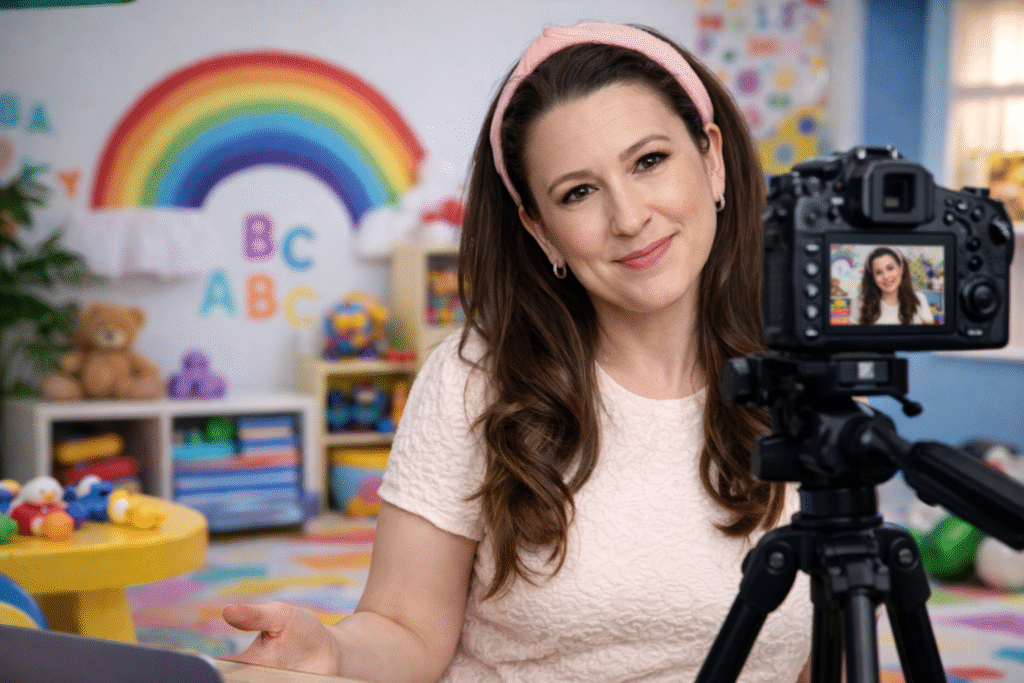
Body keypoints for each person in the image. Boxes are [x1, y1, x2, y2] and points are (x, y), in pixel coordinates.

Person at [222, 21, 814, 682]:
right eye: (578, 192)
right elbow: (405, 627)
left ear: (711, 158)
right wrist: (329, 651)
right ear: (541, 229)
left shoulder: (812, 374)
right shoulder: (475, 377)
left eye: (649, 161)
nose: (628, 216)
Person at [856, 246, 935, 325]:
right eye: (878, 272)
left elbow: (932, 336)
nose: (886, 277)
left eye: (890, 268)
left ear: (901, 268)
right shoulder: (860, 303)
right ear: (873, 277)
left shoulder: (919, 299)